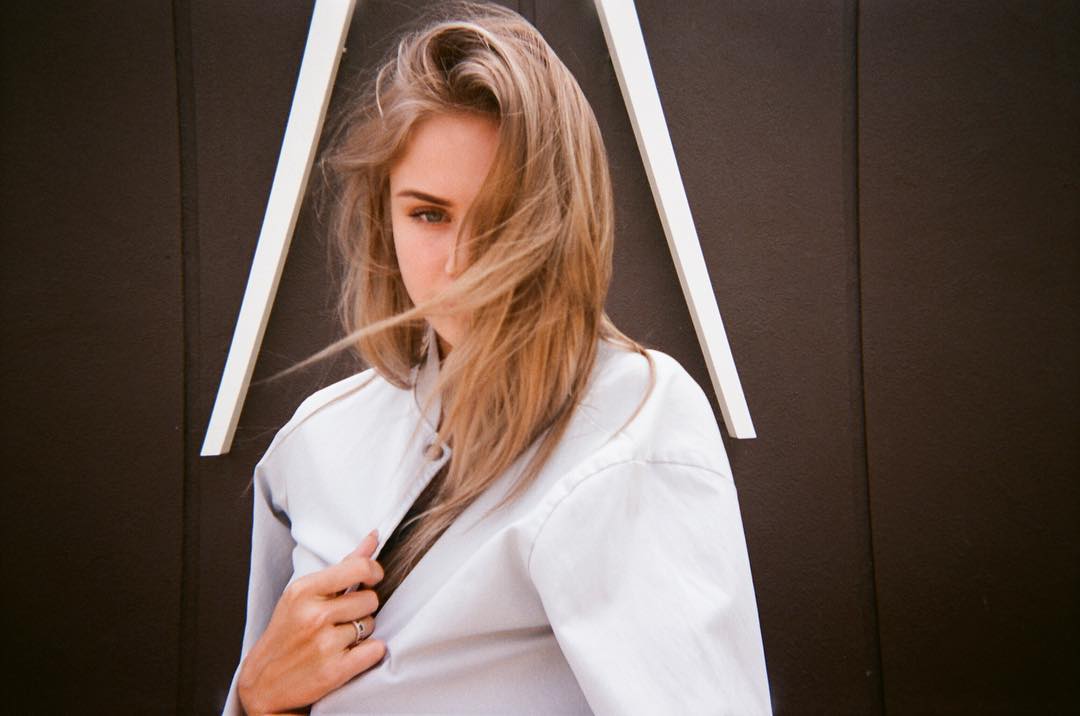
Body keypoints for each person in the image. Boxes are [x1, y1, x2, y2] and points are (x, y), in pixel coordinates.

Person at [223, 2, 771, 713]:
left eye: (503, 217)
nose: (463, 264)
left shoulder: (634, 429)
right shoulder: (315, 441)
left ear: (564, 219)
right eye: (428, 214)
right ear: (383, 218)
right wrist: (258, 696)